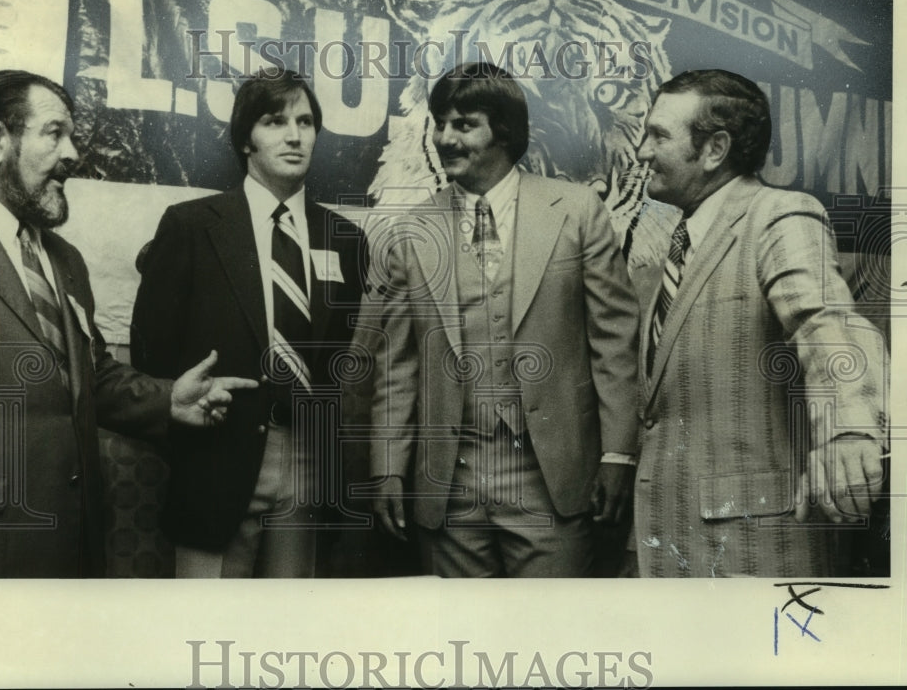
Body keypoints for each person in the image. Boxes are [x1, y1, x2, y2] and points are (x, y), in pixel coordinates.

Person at [0, 70, 254, 579]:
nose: (73, 154)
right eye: (55, 133)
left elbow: (90, 375)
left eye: (72, 136)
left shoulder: (63, 259)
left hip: (74, 549)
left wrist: (170, 400)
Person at [367, 61, 640, 577]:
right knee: (463, 644)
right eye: (440, 122)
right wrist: (386, 469)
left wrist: (619, 456)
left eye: (464, 124)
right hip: (449, 485)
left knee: (546, 640)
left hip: (552, 478)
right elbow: (395, 367)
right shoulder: (412, 231)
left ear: (505, 131)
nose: (446, 137)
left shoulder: (577, 212)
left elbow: (615, 345)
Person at [634, 68, 888, 577]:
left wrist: (849, 432)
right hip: (676, 542)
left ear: (714, 149)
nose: (642, 151)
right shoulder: (680, 242)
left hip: (754, 550)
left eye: (659, 135)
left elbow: (829, 322)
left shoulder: (779, 215)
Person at [131, 68, 367, 578]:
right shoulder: (192, 226)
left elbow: (346, 358)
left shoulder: (344, 238)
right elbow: (150, 357)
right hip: (216, 462)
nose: (294, 134)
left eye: (305, 121)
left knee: (288, 636)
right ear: (245, 138)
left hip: (307, 464)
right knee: (207, 632)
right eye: (274, 121)